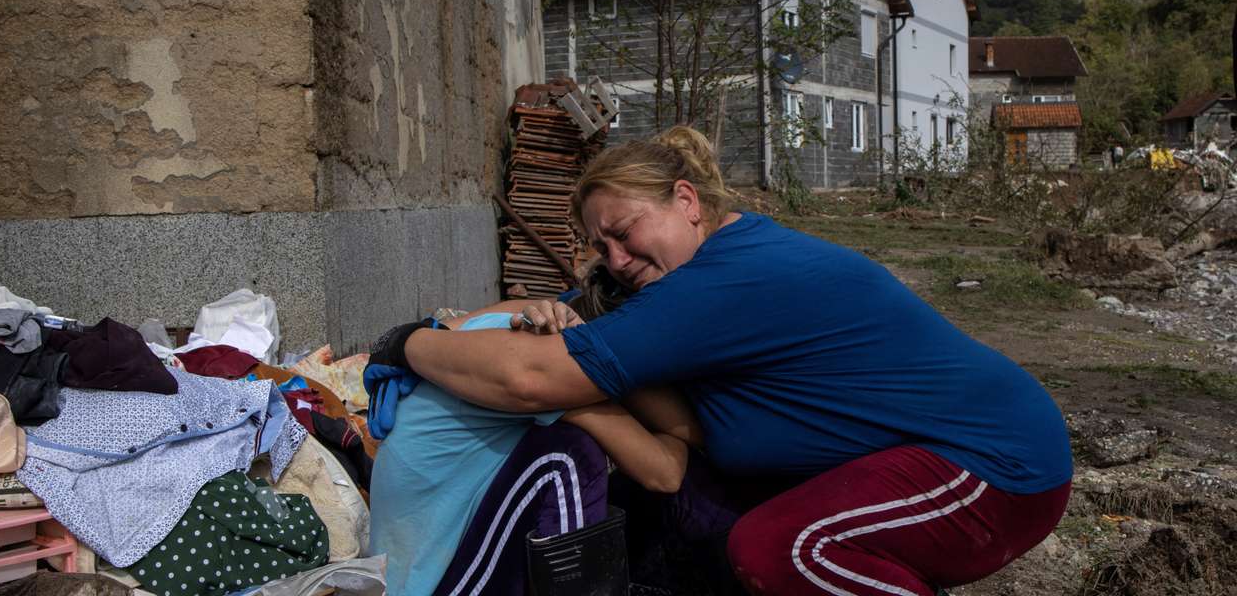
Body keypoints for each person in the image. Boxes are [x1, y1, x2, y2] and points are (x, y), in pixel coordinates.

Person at [373, 126, 1073, 596]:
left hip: (994, 466)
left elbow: (528, 377)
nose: (617, 260)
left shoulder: (724, 284)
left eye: (624, 232)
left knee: (781, 549)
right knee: (676, 524)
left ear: (686, 202)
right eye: (601, 248)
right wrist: (535, 312)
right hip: (912, 458)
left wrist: (405, 342)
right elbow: (566, 314)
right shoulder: (701, 269)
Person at [367, 266, 700, 596]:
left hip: (423, 563)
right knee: (569, 456)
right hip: (429, 585)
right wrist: (679, 418)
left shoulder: (514, 326)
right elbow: (664, 472)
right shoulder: (546, 365)